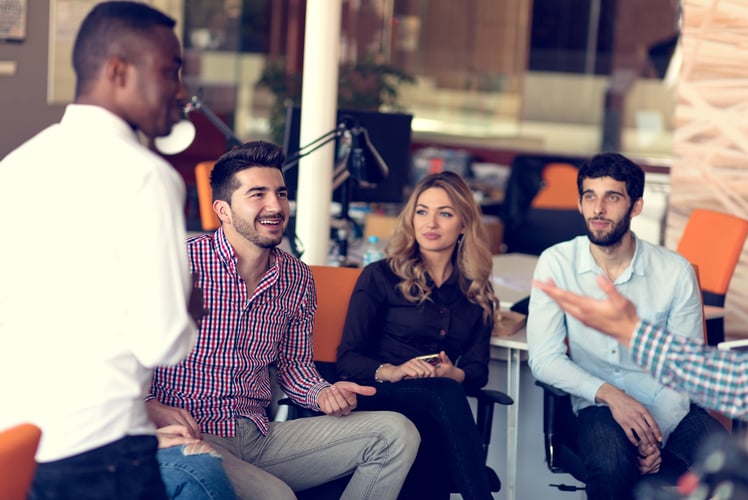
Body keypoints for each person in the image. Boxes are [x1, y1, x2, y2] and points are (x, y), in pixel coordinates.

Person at [0, 2, 200, 498]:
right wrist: (190, 300)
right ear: (117, 71)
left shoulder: (16, 166)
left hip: (23, 445)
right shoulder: (147, 175)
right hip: (105, 449)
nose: (180, 91)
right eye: (169, 70)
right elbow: (165, 342)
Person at [147, 140, 420, 500]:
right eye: (257, 194)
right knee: (277, 497)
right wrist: (150, 405)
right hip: (192, 434)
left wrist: (324, 393)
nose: (275, 206)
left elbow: (294, 369)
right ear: (223, 210)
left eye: (280, 193)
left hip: (259, 434)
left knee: (397, 433)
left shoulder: (297, 278)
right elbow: (124, 356)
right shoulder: (179, 263)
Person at [526, 152, 725, 499]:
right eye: (590, 196)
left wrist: (652, 436)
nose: (598, 209)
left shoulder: (674, 272)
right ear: (579, 203)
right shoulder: (556, 263)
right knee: (613, 462)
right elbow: (544, 359)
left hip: (669, 403)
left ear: (636, 207)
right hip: (597, 404)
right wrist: (612, 396)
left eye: (612, 197)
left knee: (730, 463)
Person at [336, 171, 499, 500]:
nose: (431, 223)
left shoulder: (476, 291)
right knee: (443, 394)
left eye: (446, 213)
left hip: (434, 409)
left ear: (464, 225)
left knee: (437, 416)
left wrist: (456, 373)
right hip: (380, 395)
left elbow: (478, 371)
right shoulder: (380, 276)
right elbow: (348, 359)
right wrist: (394, 371)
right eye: (422, 211)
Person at [534, 275, 748, 421]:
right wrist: (632, 333)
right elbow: (736, 382)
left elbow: (736, 385)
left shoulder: (674, 271)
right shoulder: (559, 263)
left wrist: (632, 333)